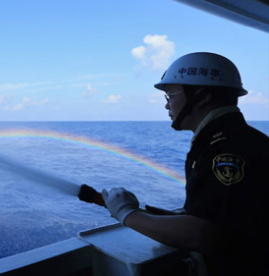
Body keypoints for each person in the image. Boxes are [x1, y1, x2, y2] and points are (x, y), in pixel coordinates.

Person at [101, 52, 269, 275]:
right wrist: (182, 217)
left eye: (170, 95)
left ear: (202, 95)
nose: (167, 106)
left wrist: (127, 213)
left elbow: (203, 235)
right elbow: (236, 216)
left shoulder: (225, 150)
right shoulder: (246, 139)